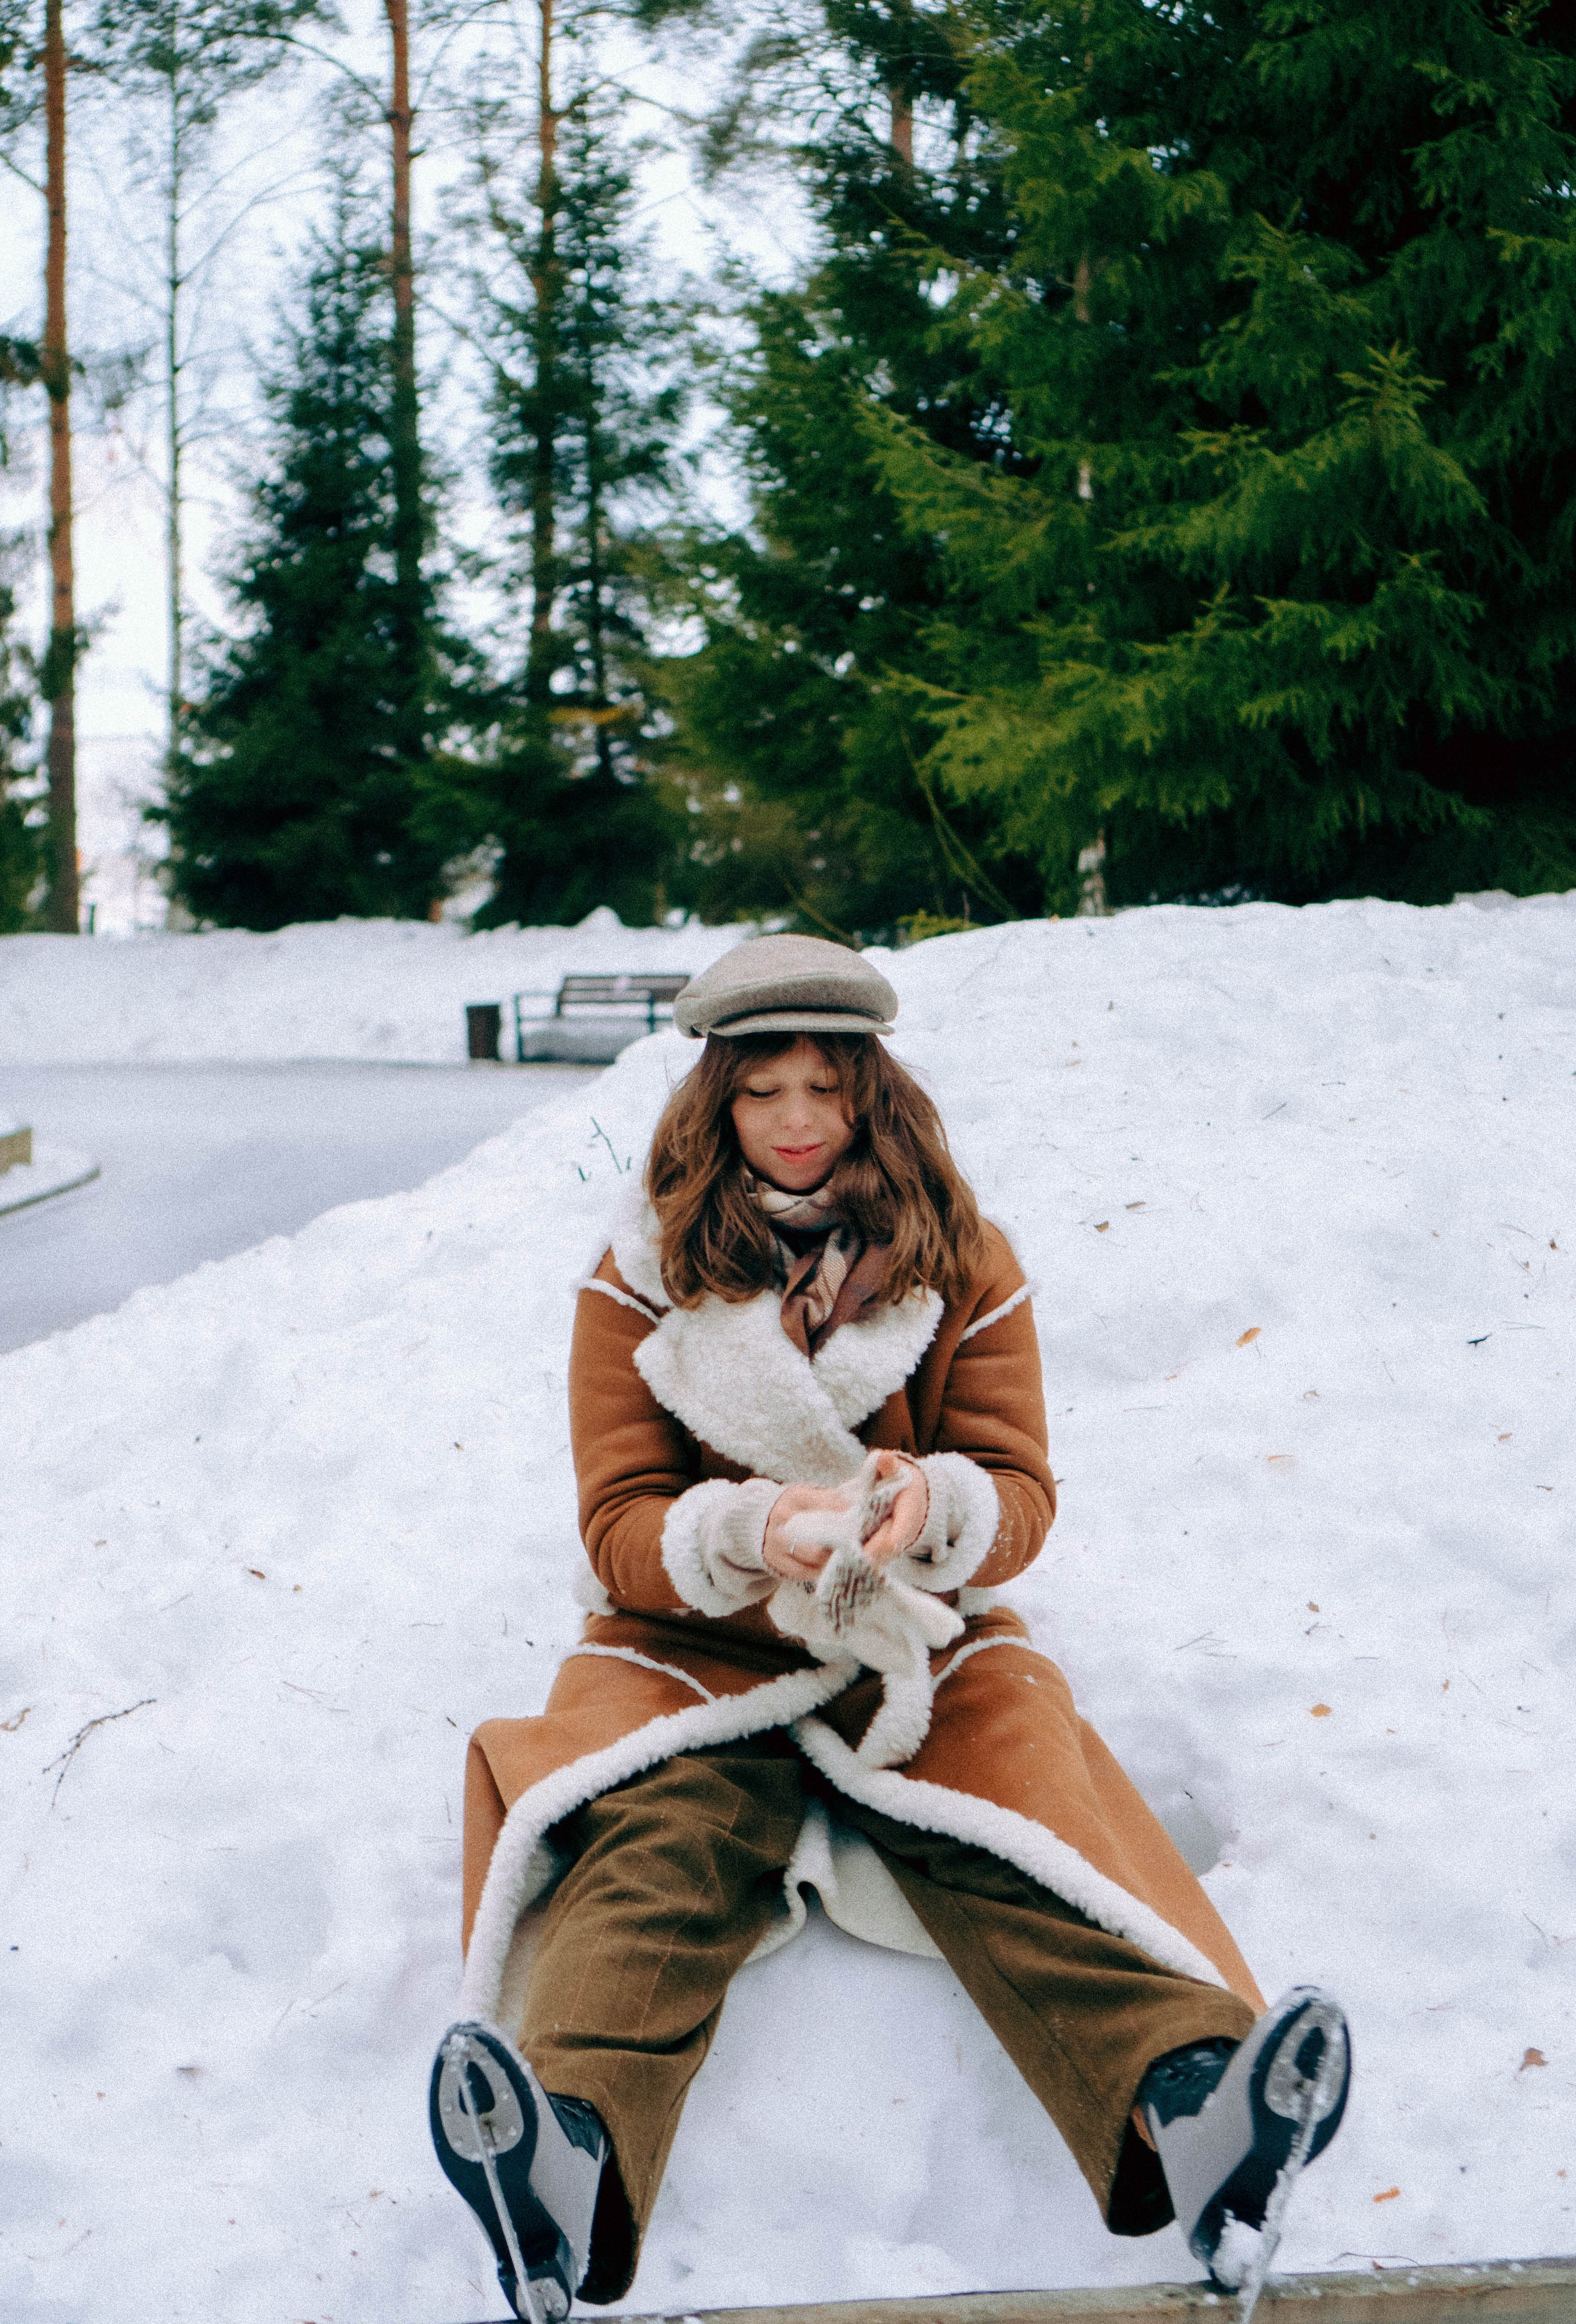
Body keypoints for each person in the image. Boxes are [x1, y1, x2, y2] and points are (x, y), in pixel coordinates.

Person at [429, 937, 1349, 2324]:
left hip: (915, 1625)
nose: (796, 1121)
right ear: (712, 1104)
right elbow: (619, 1519)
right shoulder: (634, 1275)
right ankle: (563, 2158)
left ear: (873, 1093)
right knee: (655, 1839)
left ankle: (1193, 2102)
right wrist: (747, 1534)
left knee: (1023, 1817)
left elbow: (1021, 1494)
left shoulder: (962, 1260)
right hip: (697, 1636)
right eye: (761, 1090)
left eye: (824, 1086)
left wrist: (931, 1503)